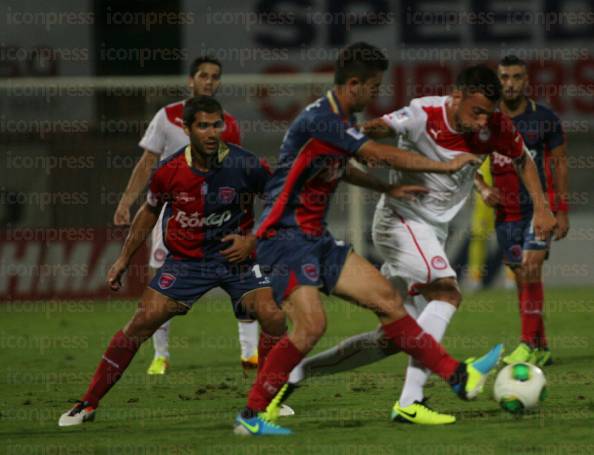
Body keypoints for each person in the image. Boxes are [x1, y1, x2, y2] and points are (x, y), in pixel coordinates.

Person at [233, 43, 505, 437]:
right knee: (311, 327)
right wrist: (442, 165)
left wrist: (384, 189)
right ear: (355, 83)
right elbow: (380, 152)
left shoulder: (342, 121)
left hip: (317, 239)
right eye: (374, 86)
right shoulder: (321, 118)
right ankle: (252, 415)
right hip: (285, 237)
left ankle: (456, 375)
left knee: (390, 303)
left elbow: (339, 169)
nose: (376, 94)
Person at [277, 64, 557, 427]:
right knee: (446, 293)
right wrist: (347, 137)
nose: (482, 121)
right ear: (456, 96)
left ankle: (293, 375)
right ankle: (411, 401)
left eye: (488, 113)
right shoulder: (422, 112)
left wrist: (543, 207)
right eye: (475, 112)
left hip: (431, 232)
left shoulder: (497, 125)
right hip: (401, 221)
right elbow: (376, 130)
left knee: (394, 335)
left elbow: (523, 159)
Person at [59, 96, 286, 427]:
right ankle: (88, 403)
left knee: (273, 315)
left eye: (216, 125)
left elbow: (281, 199)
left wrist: (253, 240)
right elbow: (149, 211)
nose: (211, 133)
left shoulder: (245, 164)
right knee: (141, 322)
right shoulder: (169, 171)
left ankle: (265, 401)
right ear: (186, 128)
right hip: (187, 262)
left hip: (237, 259)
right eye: (203, 126)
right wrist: (123, 259)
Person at [112, 56, 259, 375]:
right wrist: (126, 201)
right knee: (158, 281)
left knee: (244, 278)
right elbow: (147, 163)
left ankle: (250, 354)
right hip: (173, 214)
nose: (209, 81)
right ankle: (161, 355)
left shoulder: (228, 122)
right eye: (203, 76)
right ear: (191, 80)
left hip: (220, 217)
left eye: (215, 76)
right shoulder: (166, 117)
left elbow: (239, 174)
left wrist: (247, 226)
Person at [475, 55, 569, 367]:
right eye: (504, 77)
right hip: (506, 214)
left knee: (530, 268)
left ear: (527, 81)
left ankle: (527, 344)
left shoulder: (544, 118)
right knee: (521, 276)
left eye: (516, 77)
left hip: (537, 210)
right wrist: (484, 189)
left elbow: (559, 163)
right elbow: (465, 164)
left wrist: (560, 209)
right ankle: (540, 345)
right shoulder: (484, 120)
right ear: (497, 80)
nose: (510, 83)